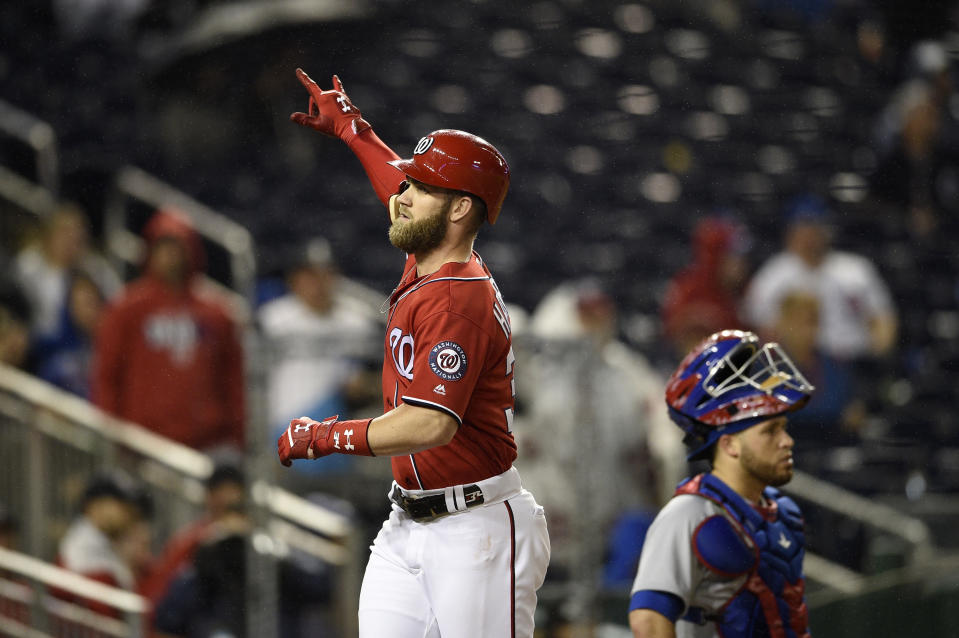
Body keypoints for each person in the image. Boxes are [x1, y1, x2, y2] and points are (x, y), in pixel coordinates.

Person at [277, 69, 550, 637]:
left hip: (476, 530)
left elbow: (429, 424)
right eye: (408, 184)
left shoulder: (458, 302)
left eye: (420, 188)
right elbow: (393, 187)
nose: (401, 196)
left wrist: (325, 435)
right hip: (409, 520)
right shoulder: (429, 253)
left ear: (458, 212)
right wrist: (354, 129)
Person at [628, 329, 815, 638]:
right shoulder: (689, 514)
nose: (787, 441)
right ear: (730, 445)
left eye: (784, 428)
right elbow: (648, 622)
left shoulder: (784, 511)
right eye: (771, 431)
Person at [90, 208, 246, 453]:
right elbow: (107, 375)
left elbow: (232, 379)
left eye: (177, 248)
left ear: (191, 251)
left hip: (207, 445)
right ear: (150, 252)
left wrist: (237, 436)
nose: (170, 257)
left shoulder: (216, 312)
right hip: (141, 444)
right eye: (163, 248)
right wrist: (111, 434)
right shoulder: (126, 309)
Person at [258, 236, 380, 478]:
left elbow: (375, 381)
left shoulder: (358, 322)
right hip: (284, 432)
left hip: (339, 437)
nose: (318, 283)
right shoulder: (272, 320)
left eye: (325, 274)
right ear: (294, 279)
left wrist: (364, 386)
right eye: (310, 275)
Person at [742, 194, 898, 362]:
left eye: (815, 226)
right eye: (803, 226)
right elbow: (761, 328)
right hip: (797, 364)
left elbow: (883, 320)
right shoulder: (773, 274)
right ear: (790, 231)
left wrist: (877, 360)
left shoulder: (856, 269)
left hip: (856, 362)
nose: (809, 234)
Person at [661, 216, 752, 358]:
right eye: (733, 257)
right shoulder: (688, 291)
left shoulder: (742, 292)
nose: (740, 264)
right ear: (716, 257)